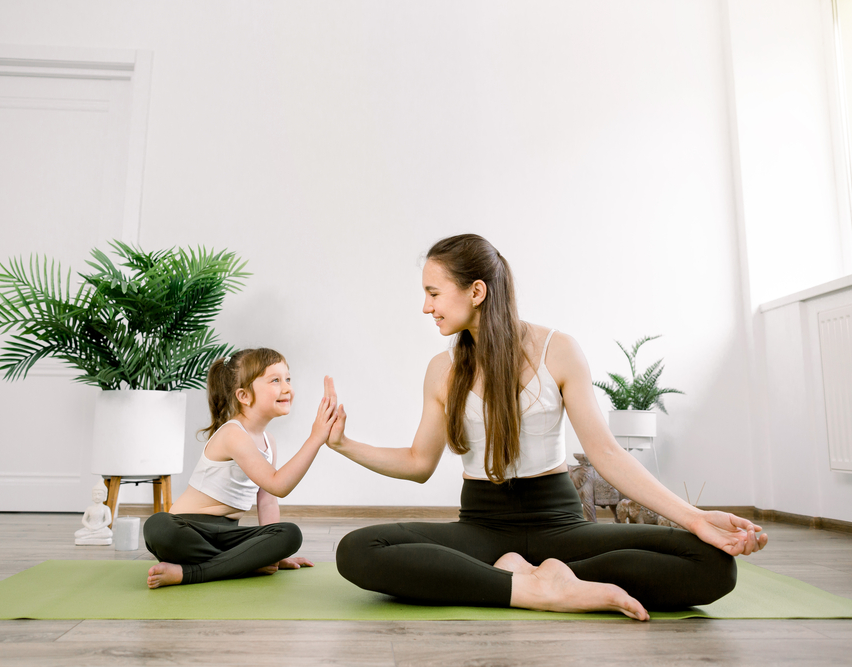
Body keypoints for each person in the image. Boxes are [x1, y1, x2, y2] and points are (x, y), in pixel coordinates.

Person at [330, 234, 768, 620]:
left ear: (477, 291)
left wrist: (696, 519)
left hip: (561, 524)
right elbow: (418, 462)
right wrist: (344, 444)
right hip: (482, 528)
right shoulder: (441, 370)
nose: (426, 307)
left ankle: (525, 577)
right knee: (357, 550)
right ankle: (535, 588)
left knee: (712, 565)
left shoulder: (557, 350)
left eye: (434, 293)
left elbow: (607, 454)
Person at [143, 348, 339, 588]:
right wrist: (315, 438)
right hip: (188, 531)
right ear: (244, 396)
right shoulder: (233, 434)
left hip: (227, 536)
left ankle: (223, 565)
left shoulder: (269, 442)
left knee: (290, 534)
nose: (287, 388)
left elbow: (268, 499)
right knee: (158, 526)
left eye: (288, 379)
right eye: (275, 380)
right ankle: (209, 570)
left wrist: (275, 554)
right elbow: (279, 484)